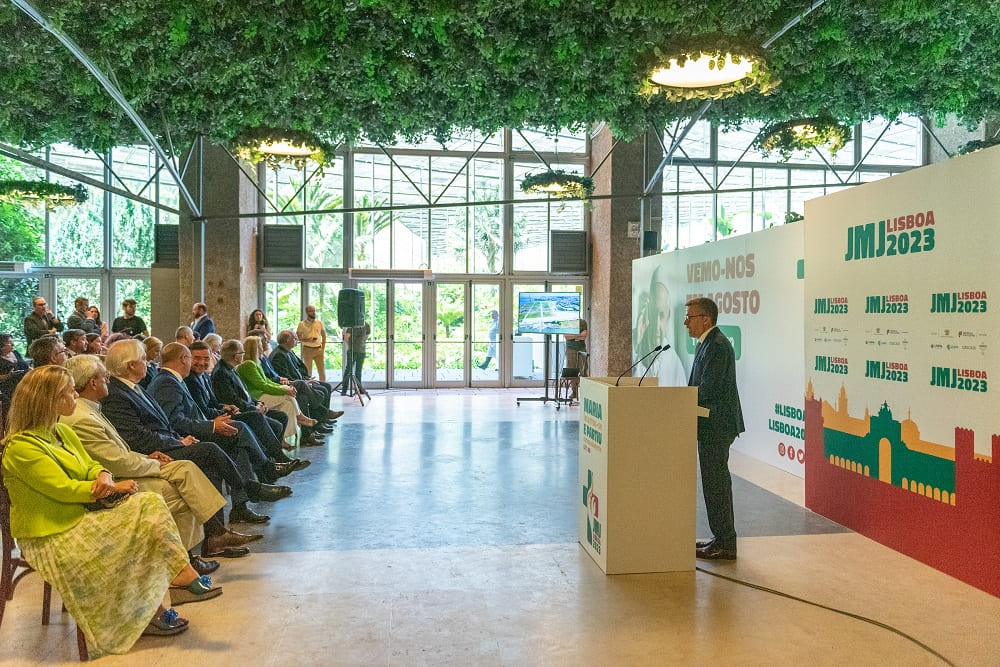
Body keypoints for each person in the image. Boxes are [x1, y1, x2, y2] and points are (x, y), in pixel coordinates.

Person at [1, 366, 220, 656]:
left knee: (148, 505)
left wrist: (103, 475)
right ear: (47, 401)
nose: (74, 396)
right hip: (50, 534)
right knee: (145, 514)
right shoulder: (21, 447)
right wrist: (111, 487)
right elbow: (63, 489)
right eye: (68, 392)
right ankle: (167, 588)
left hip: (77, 518)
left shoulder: (61, 431)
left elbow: (91, 464)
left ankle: (166, 589)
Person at [61, 354, 228, 575]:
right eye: (104, 376)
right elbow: (115, 461)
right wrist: (152, 464)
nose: (108, 379)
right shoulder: (82, 417)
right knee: (178, 492)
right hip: (111, 485)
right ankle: (182, 562)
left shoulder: (90, 408)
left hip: (121, 469)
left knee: (186, 467)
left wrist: (147, 457)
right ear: (92, 382)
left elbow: (116, 453)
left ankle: (202, 545)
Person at [100, 339, 282, 535]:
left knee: (224, 449)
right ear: (131, 365)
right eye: (144, 359)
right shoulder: (119, 394)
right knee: (212, 448)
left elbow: (164, 423)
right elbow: (138, 436)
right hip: (153, 453)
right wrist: (178, 440)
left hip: (169, 441)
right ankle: (251, 486)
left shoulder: (134, 387)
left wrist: (180, 438)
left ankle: (216, 535)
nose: (149, 363)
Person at [149, 343, 298, 485]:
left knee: (240, 442)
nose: (201, 362)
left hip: (197, 428)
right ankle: (267, 469)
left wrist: (222, 411)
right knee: (239, 428)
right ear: (184, 359)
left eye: (206, 358)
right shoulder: (168, 382)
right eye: (193, 358)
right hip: (187, 437)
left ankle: (244, 501)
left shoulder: (172, 379)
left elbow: (201, 408)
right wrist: (213, 425)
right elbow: (175, 421)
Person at [685, 297, 745, 561]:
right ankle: (719, 538)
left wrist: (681, 398)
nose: (686, 322)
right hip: (709, 423)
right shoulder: (706, 343)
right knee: (712, 483)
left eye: (690, 317)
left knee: (717, 483)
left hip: (718, 424)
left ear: (706, 319)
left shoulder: (718, 346)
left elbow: (708, 389)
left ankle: (726, 543)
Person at [236, 337, 318, 440]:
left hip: (262, 393)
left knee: (287, 405)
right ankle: (300, 417)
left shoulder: (255, 362)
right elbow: (262, 385)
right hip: (257, 396)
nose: (262, 348)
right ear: (255, 348)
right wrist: (284, 390)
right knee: (288, 394)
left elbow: (267, 381)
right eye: (260, 346)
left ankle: (283, 437)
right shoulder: (248, 364)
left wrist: (284, 387)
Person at [635, 266, 687, 387]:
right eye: (654, 314)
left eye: (662, 315)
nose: (657, 325)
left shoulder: (675, 363)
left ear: (668, 318)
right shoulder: (637, 350)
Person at [295, 305, 326, 381]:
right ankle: (309, 389)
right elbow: (298, 337)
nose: (313, 313)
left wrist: (322, 348)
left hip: (318, 349)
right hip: (307, 349)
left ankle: (324, 388)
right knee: (308, 371)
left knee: (321, 371)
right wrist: (307, 339)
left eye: (314, 311)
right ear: (307, 312)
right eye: (311, 311)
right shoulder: (302, 324)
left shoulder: (319, 323)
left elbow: (324, 335)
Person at [342, 322, 370, 396]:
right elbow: (346, 338)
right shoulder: (352, 325)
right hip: (352, 352)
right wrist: (352, 347)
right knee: (348, 370)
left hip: (361, 351)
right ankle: (344, 390)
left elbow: (366, 337)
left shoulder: (367, 325)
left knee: (358, 371)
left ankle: (359, 389)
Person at [563, 318, 588, 400]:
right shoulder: (567, 322)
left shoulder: (582, 322)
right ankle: (574, 393)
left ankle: (586, 393)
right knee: (572, 372)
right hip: (570, 350)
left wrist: (573, 335)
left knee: (583, 372)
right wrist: (578, 335)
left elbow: (584, 336)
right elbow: (566, 336)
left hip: (582, 349)